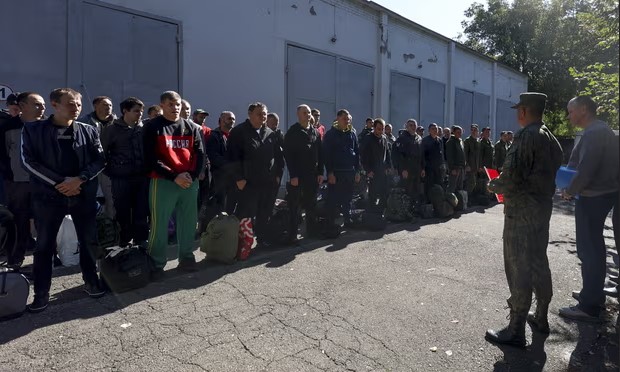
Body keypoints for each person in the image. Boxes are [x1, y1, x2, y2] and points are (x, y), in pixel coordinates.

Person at [485, 92, 563, 347]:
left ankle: (516, 328)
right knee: (539, 261)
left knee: (518, 266)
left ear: (524, 111)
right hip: (542, 211)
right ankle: (541, 316)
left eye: (519, 109)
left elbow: (512, 177)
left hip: (521, 213)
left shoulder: (526, 136)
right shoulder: (551, 139)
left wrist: (492, 184)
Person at [22, 88, 106, 313]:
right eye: (70, 104)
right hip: (48, 197)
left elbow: (99, 160)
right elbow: (28, 162)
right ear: (54, 104)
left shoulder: (89, 130)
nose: (76, 108)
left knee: (89, 242)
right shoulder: (33, 129)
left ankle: (91, 281)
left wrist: (79, 179)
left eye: (78, 104)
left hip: (82, 195)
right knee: (44, 246)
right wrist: (60, 182)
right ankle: (41, 293)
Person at [558, 96, 619, 322]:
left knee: (589, 250)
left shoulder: (594, 133)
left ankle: (589, 305)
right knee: (595, 248)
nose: (569, 115)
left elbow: (586, 170)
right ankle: (592, 295)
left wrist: (569, 191)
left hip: (592, 196)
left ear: (584, 109)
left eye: (570, 110)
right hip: (604, 194)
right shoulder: (603, 130)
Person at [143, 91, 205, 276]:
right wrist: (174, 176)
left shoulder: (191, 127)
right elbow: (150, 159)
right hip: (163, 182)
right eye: (170, 104)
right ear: (161, 105)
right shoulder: (152, 127)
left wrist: (192, 175)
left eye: (177, 104)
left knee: (188, 222)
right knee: (160, 224)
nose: (175, 107)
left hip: (188, 182)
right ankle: (156, 263)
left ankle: (186, 258)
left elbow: (200, 153)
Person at [226, 102, 284, 249]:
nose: (263, 117)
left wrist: (278, 174)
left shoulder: (270, 133)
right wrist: (239, 178)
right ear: (250, 114)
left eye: (264, 114)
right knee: (246, 214)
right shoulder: (239, 132)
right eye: (259, 114)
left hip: (268, 181)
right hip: (248, 182)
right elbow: (232, 157)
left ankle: (262, 239)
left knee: (265, 212)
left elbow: (278, 156)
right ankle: (243, 243)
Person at [0, 92, 45, 268]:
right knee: (19, 221)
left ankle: (48, 257)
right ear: (22, 106)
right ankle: (16, 258)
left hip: (43, 182)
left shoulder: (48, 125)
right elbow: (2, 154)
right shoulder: (8, 126)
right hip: (17, 183)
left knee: (45, 220)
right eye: (37, 105)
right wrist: (9, 175)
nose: (42, 108)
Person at [100, 97, 148, 248]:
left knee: (142, 211)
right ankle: (123, 241)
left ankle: (141, 241)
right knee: (122, 211)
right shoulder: (111, 130)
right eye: (136, 111)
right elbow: (102, 153)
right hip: (120, 179)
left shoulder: (144, 129)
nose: (139, 114)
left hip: (142, 178)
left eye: (141, 111)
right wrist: (113, 170)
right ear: (125, 111)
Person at [284, 105, 324, 242]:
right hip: (298, 176)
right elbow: (288, 155)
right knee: (295, 207)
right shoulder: (293, 132)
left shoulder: (315, 132)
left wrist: (320, 173)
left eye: (308, 112)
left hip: (312, 175)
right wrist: (293, 175)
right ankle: (292, 236)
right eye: (304, 113)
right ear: (298, 115)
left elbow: (320, 154)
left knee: (311, 205)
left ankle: (312, 232)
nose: (307, 115)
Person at [323, 109, 361, 227]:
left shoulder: (352, 133)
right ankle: (332, 222)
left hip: (350, 171)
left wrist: (358, 171)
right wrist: (330, 173)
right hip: (336, 172)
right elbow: (327, 155)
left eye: (349, 119)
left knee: (348, 197)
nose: (347, 121)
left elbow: (357, 152)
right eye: (345, 119)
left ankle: (347, 218)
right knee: (333, 197)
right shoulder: (330, 134)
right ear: (338, 119)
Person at [79, 96, 116, 218]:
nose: (108, 108)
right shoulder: (84, 122)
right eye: (105, 105)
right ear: (95, 106)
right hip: (91, 167)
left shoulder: (117, 123)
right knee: (89, 198)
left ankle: (111, 228)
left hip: (110, 167)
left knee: (112, 198)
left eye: (110, 105)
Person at [205, 111, 236, 216]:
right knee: (218, 204)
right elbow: (214, 156)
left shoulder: (235, 136)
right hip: (219, 177)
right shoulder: (214, 136)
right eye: (229, 119)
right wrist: (230, 166)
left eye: (233, 119)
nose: (232, 121)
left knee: (231, 205)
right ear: (221, 121)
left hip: (233, 177)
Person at [361, 118, 392, 213]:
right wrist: (368, 170)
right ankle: (372, 214)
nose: (381, 131)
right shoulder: (368, 138)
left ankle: (381, 213)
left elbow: (387, 152)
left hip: (382, 170)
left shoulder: (384, 138)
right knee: (373, 194)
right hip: (372, 171)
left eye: (382, 129)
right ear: (374, 127)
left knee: (384, 192)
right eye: (379, 129)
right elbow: (363, 156)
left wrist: (388, 166)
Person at [394, 119, 425, 206]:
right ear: (406, 127)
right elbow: (399, 156)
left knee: (416, 190)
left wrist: (423, 168)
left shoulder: (418, 138)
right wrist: (403, 169)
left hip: (417, 168)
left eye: (414, 125)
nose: (413, 127)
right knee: (407, 190)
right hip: (407, 169)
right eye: (410, 125)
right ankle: (406, 210)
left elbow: (422, 155)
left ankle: (414, 209)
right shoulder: (402, 138)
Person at [266, 112, 285, 217]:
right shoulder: (261, 133)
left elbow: (281, 155)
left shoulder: (279, 134)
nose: (274, 125)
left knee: (272, 197)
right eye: (272, 123)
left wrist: (278, 173)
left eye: (276, 123)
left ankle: (268, 218)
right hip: (263, 173)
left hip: (276, 171)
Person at [422, 123, 445, 196]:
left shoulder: (439, 140)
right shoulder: (425, 140)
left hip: (438, 167)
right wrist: (423, 167)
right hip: (429, 167)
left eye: (436, 129)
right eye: (433, 129)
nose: (435, 130)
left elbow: (442, 153)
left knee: (439, 184)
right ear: (429, 130)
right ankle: (428, 201)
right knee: (429, 185)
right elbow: (423, 155)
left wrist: (443, 164)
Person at [445, 126, 465, 193]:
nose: (459, 134)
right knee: (452, 186)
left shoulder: (460, 141)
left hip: (461, 167)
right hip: (455, 168)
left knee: (459, 186)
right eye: (458, 132)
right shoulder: (450, 142)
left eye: (460, 132)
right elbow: (449, 157)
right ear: (454, 132)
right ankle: (450, 201)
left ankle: (458, 201)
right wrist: (452, 168)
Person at [464, 124, 481, 194]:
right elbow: (465, 154)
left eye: (475, 130)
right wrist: (466, 165)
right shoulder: (467, 141)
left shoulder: (478, 141)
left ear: (478, 131)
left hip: (476, 166)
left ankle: (472, 198)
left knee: (476, 183)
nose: (474, 132)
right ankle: (467, 199)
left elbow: (479, 155)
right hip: (470, 166)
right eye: (472, 130)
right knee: (470, 183)